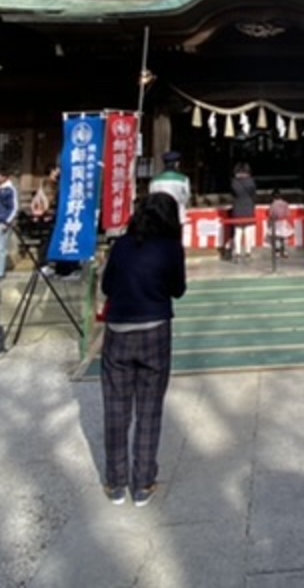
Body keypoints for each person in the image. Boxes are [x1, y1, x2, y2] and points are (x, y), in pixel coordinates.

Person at [99, 192, 187, 508]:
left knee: (115, 407)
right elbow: (178, 289)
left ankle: (115, 481)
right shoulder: (171, 248)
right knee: (150, 408)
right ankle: (143, 482)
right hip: (155, 329)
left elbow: (107, 286)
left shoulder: (121, 246)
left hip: (119, 330)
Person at [34, 166, 80, 280]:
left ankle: (63, 267)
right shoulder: (48, 184)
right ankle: (47, 266)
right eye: (56, 170)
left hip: (58, 216)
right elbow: (48, 200)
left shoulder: (60, 184)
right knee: (48, 242)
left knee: (60, 241)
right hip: (50, 217)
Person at [148, 151, 191, 229]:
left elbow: (151, 198)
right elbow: (186, 198)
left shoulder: (154, 181)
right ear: (177, 164)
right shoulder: (184, 179)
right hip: (178, 216)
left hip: (159, 217)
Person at [230, 162, 257, 262]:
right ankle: (248, 252)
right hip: (249, 207)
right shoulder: (251, 182)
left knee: (238, 231)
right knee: (248, 231)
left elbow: (233, 194)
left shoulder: (234, 182)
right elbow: (253, 193)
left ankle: (237, 253)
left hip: (237, 207)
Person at [269, 190, 293, 258]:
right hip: (284, 222)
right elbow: (288, 214)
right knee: (284, 238)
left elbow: (271, 215)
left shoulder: (273, 204)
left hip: (276, 222)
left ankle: (277, 252)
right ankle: (285, 252)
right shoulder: (285, 203)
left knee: (277, 238)